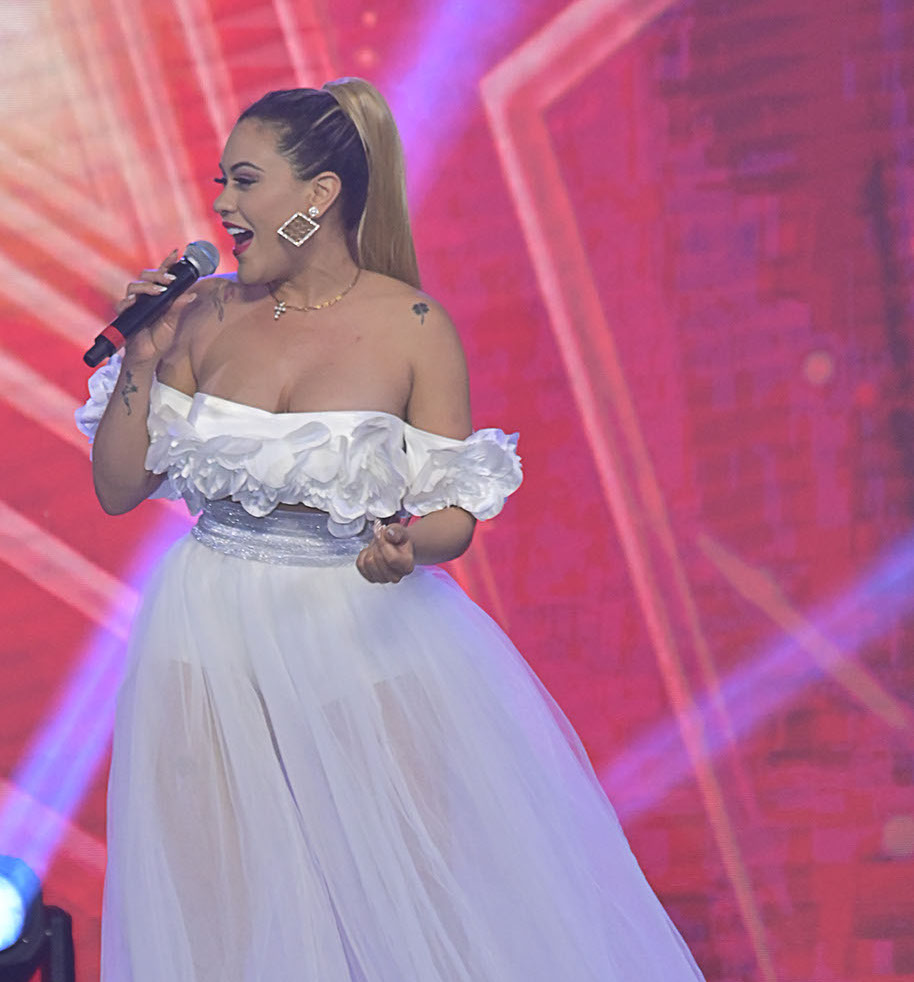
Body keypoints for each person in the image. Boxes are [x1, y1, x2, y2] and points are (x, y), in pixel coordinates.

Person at [76, 78, 707, 982]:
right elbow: (117, 487)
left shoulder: (411, 326)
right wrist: (143, 356)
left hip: (357, 623)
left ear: (320, 193)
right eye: (223, 184)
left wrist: (413, 545)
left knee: (403, 884)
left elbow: (455, 506)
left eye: (246, 182)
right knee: (219, 897)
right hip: (207, 625)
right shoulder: (201, 314)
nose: (224, 207)